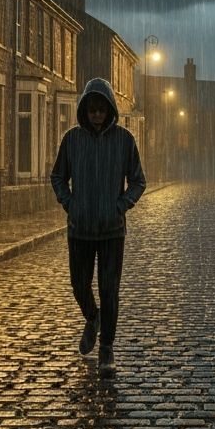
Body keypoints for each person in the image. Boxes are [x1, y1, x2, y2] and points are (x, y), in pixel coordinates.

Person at [50, 77, 146, 371]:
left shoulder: (124, 140)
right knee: (79, 285)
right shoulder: (72, 140)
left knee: (109, 289)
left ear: (109, 111)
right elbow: (57, 177)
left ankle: (106, 349)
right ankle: (92, 318)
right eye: (92, 110)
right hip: (79, 229)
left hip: (111, 231)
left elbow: (138, 181)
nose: (96, 116)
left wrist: (120, 206)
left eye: (101, 110)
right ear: (84, 110)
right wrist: (70, 204)